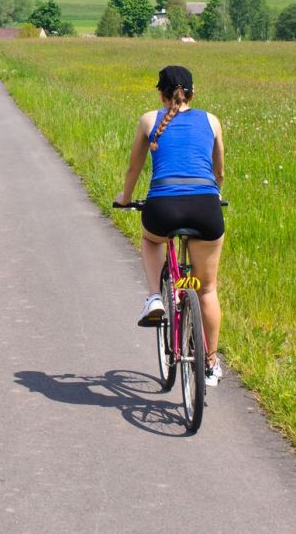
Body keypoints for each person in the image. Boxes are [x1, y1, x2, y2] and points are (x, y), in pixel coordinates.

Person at [113, 65, 226, 386]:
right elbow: (219, 172)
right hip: (206, 206)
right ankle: (211, 363)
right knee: (207, 289)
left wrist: (125, 198)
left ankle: (156, 297)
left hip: (163, 207)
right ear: (193, 93)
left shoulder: (150, 120)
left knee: (152, 240)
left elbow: (134, 168)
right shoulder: (211, 120)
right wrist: (214, 194)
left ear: (160, 93)